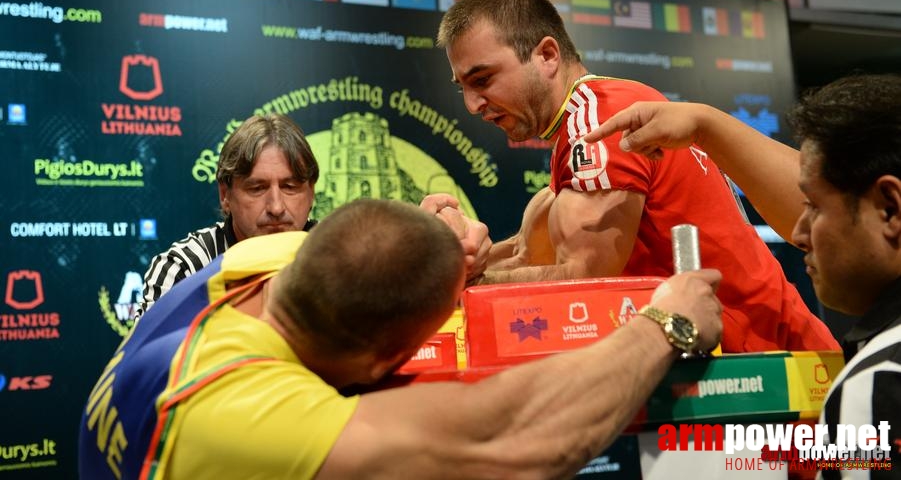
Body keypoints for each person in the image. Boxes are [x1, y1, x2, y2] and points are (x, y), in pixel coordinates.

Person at [79, 198, 722, 480]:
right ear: (383, 362)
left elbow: (370, 244)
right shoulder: (242, 418)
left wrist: (442, 243)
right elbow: (517, 436)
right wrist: (667, 322)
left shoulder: (259, 261)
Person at [437, 0, 838, 353]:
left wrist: (461, 289)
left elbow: (585, 277)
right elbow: (529, 252)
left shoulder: (597, 120)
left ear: (546, 55)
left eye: (483, 79)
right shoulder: (587, 126)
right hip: (759, 360)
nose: (472, 105)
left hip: (774, 368)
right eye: (464, 88)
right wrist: (452, 258)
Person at [583, 73, 901, 476]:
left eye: (815, 208)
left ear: (890, 209)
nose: (798, 234)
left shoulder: (877, 387)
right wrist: (704, 123)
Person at [135, 113, 320, 318]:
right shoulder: (185, 268)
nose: (276, 207)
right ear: (225, 195)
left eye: (290, 187)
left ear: (311, 192)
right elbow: (153, 349)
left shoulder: (340, 257)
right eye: (257, 188)